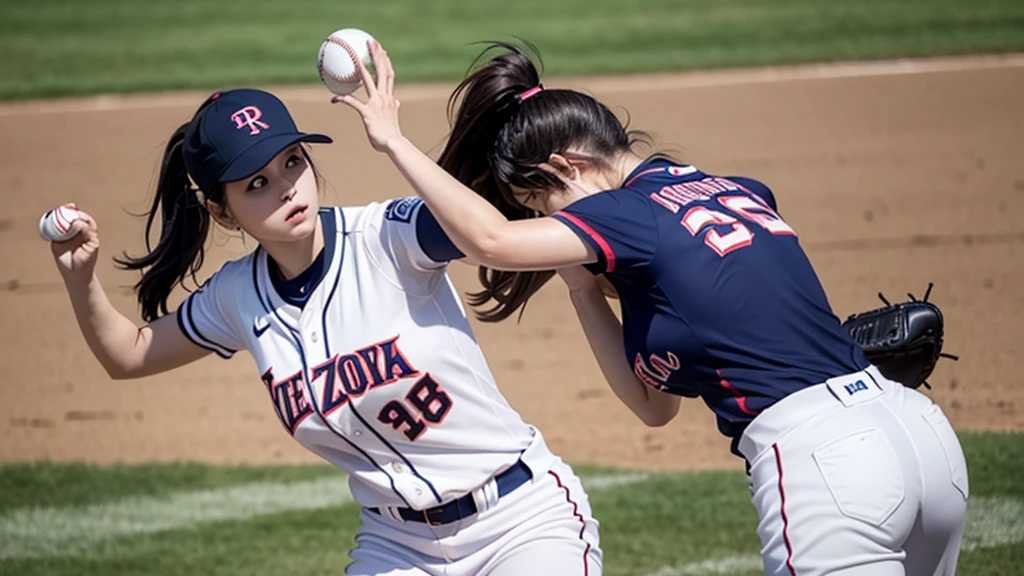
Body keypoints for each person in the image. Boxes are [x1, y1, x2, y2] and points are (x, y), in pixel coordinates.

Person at [336, 40, 969, 576]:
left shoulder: (623, 213)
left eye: (540, 203)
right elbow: (654, 406)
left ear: (569, 166)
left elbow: (491, 241)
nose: (547, 223)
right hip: (919, 435)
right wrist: (584, 289)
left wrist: (394, 142)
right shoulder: (737, 191)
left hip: (825, 467)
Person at [48, 87, 602, 576]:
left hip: (519, 519)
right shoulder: (237, 296)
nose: (288, 187)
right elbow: (129, 354)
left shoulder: (389, 236)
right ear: (223, 212)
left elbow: (495, 232)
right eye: (257, 182)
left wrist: (393, 143)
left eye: (292, 161)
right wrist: (81, 280)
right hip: (399, 545)